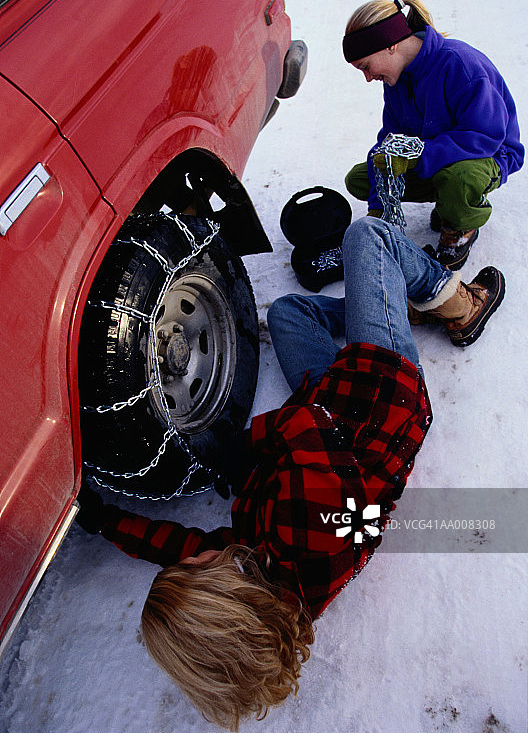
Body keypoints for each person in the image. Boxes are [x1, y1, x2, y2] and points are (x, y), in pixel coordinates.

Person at [77, 217, 505, 731]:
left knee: (288, 311)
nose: (196, 557)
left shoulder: (267, 584)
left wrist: (103, 521)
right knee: (366, 236)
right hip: (384, 395)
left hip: (332, 412)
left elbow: (174, 545)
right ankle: (459, 305)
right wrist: (242, 448)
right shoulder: (310, 534)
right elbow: (305, 423)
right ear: (230, 599)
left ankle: (387, 300)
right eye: (195, 572)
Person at [342, 0, 524, 269]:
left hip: (490, 155)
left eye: (366, 67)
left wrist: (420, 156)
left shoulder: (460, 64)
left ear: (390, 45)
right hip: (436, 158)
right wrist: (379, 204)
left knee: (459, 179)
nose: (368, 78)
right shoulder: (396, 82)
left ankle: (461, 226)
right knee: (363, 178)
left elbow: (485, 136)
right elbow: (391, 141)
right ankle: (447, 201)